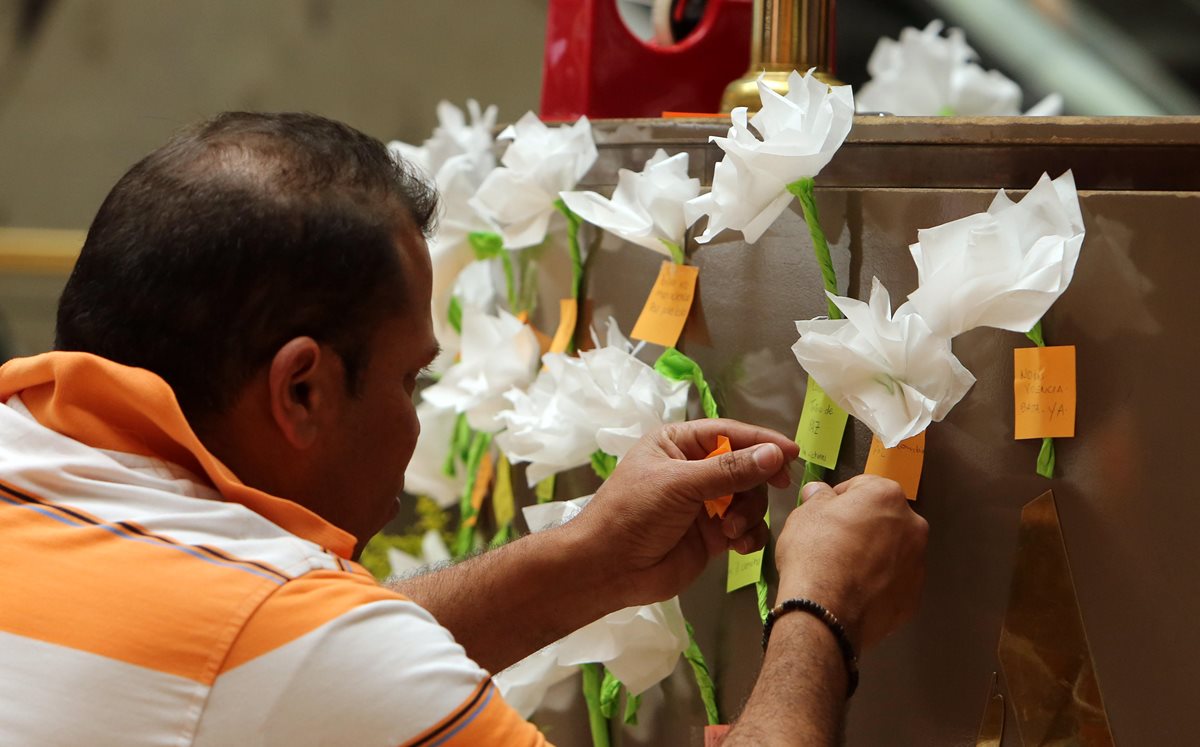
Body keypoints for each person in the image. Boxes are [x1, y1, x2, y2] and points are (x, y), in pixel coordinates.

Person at [0, 112, 927, 746]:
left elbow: (271, 654)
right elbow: (287, 652)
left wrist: (592, 558)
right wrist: (820, 615)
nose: (415, 423)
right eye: (410, 378)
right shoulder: (272, 643)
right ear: (303, 389)